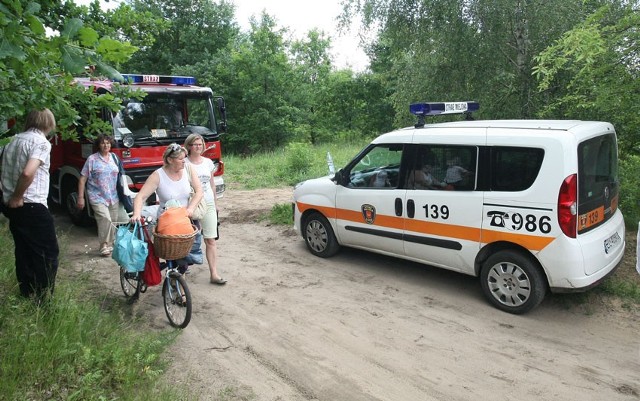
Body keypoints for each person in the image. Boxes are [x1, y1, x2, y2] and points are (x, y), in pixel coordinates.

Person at [0, 108, 59, 301]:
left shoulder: (12, 140)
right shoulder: (41, 142)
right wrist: (18, 195)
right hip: (31, 204)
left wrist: (8, 195)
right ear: (48, 123)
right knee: (48, 253)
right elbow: (28, 172)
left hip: (11, 206)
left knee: (23, 250)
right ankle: (44, 299)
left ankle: (26, 293)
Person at [130, 143, 203, 269]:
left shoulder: (188, 170)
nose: (184, 161)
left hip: (186, 218)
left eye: (185, 158)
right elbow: (140, 197)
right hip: (167, 222)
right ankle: (174, 278)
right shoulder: (158, 176)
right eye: (181, 159)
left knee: (187, 256)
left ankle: (179, 278)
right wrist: (136, 214)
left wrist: (190, 208)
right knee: (171, 254)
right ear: (170, 160)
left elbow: (199, 191)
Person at [77, 134, 128, 256]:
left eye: (108, 143)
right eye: (103, 143)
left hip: (113, 196)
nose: (106, 145)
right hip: (97, 196)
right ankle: (103, 245)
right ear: (98, 145)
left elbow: (121, 176)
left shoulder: (114, 158)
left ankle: (110, 244)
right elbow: (82, 179)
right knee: (105, 219)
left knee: (113, 222)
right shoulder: (92, 159)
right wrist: (80, 197)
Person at [185, 134, 226, 285]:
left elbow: (212, 184)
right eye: (195, 144)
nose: (198, 146)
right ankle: (183, 269)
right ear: (189, 146)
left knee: (210, 239)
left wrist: (215, 204)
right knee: (187, 240)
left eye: (200, 144)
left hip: (208, 203)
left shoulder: (208, 162)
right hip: (191, 205)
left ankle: (214, 273)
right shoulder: (184, 163)